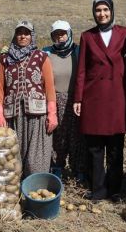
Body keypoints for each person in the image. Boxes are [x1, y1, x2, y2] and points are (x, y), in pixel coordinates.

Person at [73, 0, 126, 202]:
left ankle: (115, 190)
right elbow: (81, 69)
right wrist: (78, 98)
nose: (102, 14)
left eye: (105, 10)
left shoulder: (125, 34)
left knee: (115, 147)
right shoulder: (87, 36)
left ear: (112, 11)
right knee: (95, 148)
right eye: (98, 10)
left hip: (117, 96)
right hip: (94, 97)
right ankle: (98, 189)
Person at [0, 20, 57, 177]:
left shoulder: (42, 58)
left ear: (32, 36)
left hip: (37, 116)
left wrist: (52, 114)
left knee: (36, 159)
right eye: (19, 33)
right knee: (12, 158)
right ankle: (15, 194)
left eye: (26, 33)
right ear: (15, 35)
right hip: (13, 116)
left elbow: (49, 88)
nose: (22, 36)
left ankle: (35, 191)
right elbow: (0, 88)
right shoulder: (5, 59)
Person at [42, 20, 86, 180]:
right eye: (56, 34)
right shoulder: (46, 53)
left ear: (69, 33)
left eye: (63, 33)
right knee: (57, 136)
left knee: (77, 136)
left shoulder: (79, 51)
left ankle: (78, 169)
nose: (60, 37)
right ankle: (57, 167)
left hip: (76, 100)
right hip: (55, 99)